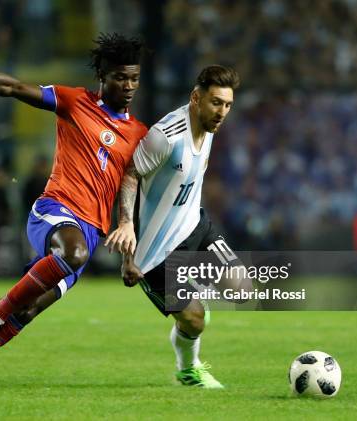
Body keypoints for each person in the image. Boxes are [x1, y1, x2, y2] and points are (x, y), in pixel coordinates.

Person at [0, 33, 148, 393]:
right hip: (55, 213)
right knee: (70, 255)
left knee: (27, 312)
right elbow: (14, 88)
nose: (128, 86)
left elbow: (131, 192)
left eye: (134, 79)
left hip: (90, 235)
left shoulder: (139, 133)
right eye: (120, 78)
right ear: (102, 75)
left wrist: (130, 257)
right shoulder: (74, 101)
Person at [105, 65, 250, 389]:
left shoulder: (210, 127)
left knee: (242, 288)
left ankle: (193, 287)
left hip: (195, 227)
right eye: (215, 103)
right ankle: (188, 369)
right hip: (155, 255)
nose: (221, 112)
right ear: (195, 98)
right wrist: (127, 234)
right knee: (195, 321)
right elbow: (129, 175)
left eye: (227, 105)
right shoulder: (165, 137)